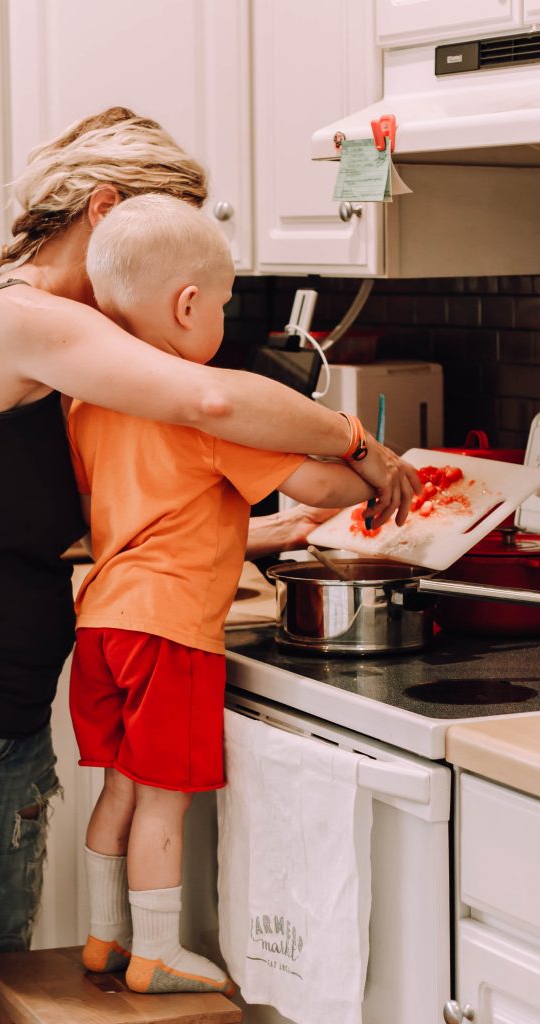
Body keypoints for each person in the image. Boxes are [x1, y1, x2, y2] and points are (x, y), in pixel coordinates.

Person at [0, 107, 420, 1024]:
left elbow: (128, 513)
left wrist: (249, 535)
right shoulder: (18, 316)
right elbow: (206, 401)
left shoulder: (76, 361)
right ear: (104, 209)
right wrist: (359, 441)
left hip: (4, 704)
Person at [66, 193, 379, 996]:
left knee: (119, 789)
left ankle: (103, 939)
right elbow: (312, 478)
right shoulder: (204, 411)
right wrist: (379, 470)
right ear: (187, 305)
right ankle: (157, 954)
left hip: (102, 623)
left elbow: (161, 513)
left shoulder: (87, 401)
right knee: (165, 804)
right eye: (227, 304)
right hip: (171, 630)